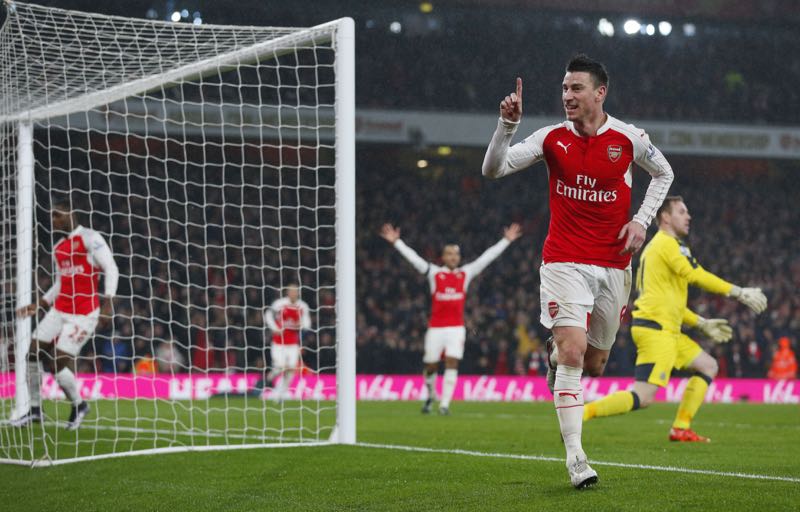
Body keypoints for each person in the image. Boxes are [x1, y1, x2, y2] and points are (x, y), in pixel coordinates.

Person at [482, 54, 675, 488]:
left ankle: (555, 359)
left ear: (599, 93)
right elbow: (493, 169)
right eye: (564, 88)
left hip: (613, 264)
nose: (567, 96)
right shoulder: (550, 138)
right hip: (563, 259)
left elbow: (664, 173)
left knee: (596, 363)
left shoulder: (628, 139)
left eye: (576, 89)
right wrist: (506, 126)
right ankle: (577, 459)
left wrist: (641, 220)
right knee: (573, 350)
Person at [583, 196, 768, 442]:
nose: (688, 216)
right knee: (644, 396)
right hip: (656, 330)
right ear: (666, 217)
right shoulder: (667, 244)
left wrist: (700, 323)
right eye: (682, 211)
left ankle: (681, 427)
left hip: (666, 328)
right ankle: (582, 412)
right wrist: (738, 292)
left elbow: (671, 302)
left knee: (708, 365)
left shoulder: (662, 247)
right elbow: (694, 274)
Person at [380, 222, 522, 415]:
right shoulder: (434, 273)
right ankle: (431, 395)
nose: (453, 257)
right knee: (430, 365)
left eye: (456, 254)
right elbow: (414, 260)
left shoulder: (465, 274)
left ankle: (445, 404)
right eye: (449, 254)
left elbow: (486, 258)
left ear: (459, 257)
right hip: (436, 328)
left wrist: (506, 241)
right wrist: (397, 243)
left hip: (456, 328)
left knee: (452, 362)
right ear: (443, 257)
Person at [12, 202, 118, 430]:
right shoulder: (59, 247)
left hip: (84, 313)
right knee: (32, 353)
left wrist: (107, 303)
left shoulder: (90, 238)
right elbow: (61, 282)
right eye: (51, 216)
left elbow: (111, 268)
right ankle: (34, 410)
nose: (53, 220)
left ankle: (79, 405)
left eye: (57, 215)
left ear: (70, 213)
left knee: (56, 362)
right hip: (59, 310)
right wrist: (39, 304)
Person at [253, 284, 311, 401]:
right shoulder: (279, 304)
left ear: (298, 293)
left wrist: (302, 326)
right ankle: (264, 382)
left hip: (293, 344)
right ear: (288, 292)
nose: (293, 294)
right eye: (291, 291)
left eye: (295, 291)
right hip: (278, 343)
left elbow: (307, 323)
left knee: (291, 369)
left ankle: (279, 395)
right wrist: (274, 328)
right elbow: (268, 315)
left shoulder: (303, 306)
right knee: (279, 367)